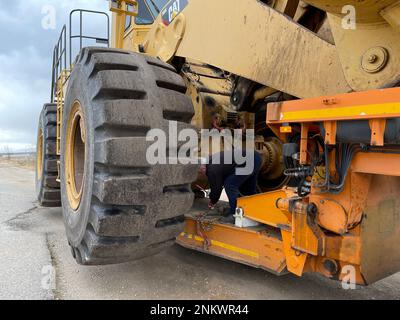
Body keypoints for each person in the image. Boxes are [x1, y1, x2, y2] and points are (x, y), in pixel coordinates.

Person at [200, 150, 262, 224]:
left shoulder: (211, 169)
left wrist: (213, 201)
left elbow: (216, 188)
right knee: (248, 189)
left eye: (200, 172)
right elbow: (227, 170)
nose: (202, 174)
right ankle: (256, 211)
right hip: (256, 157)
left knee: (230, 184)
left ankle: (234, 214)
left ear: (203, 168)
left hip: (249, 161)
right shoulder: (212, 159)